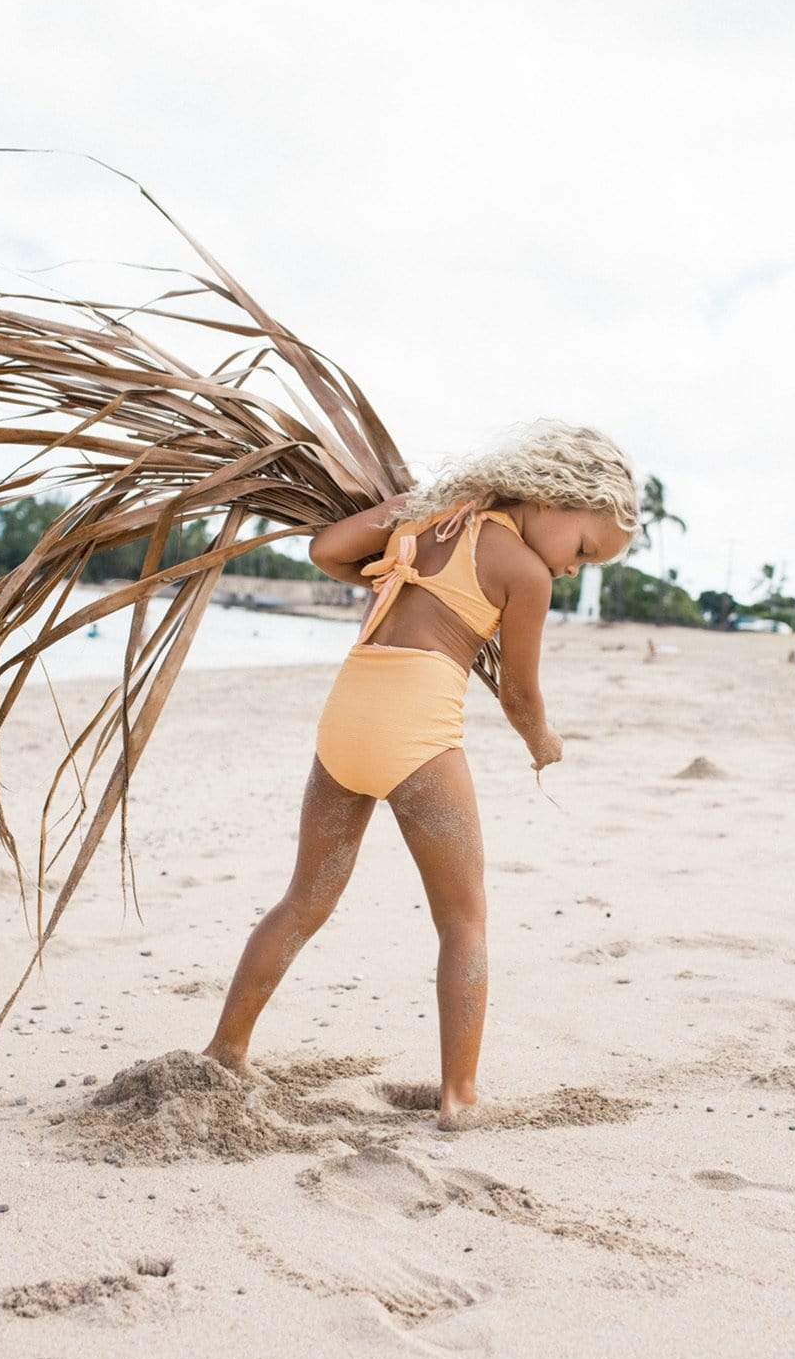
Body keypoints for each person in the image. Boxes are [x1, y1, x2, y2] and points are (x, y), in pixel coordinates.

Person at [203, 423, 638, 1129]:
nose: (571, 569)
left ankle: (226, 1048)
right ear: (557, 495)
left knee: (304, 899)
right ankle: (458, 1096)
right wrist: (543, 741)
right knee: (463, 919)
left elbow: (325, 551)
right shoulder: (522, 574)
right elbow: (520, 694)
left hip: (345, 719)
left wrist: (393, 543)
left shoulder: (429, 514)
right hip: (416, 736)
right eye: (584, 549)